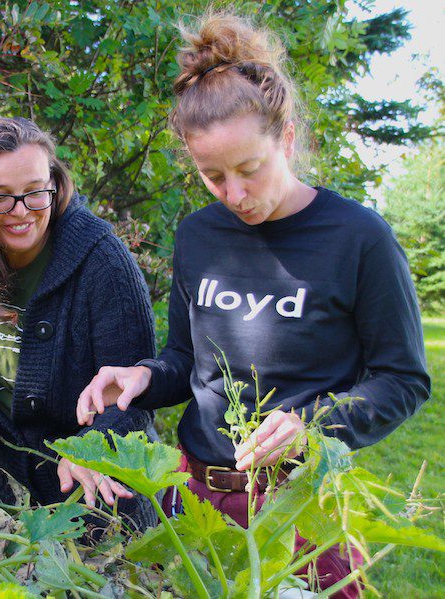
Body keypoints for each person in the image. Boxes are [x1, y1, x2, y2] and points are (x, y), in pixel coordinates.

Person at [76, 12, 430, 597]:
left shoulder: (358, 239)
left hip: (304, 507)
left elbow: (403, 379)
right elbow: (186, 361)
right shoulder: (197, 236)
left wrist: (311, 425)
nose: (235, 195)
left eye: (250, 170)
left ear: (285, 140)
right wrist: (141, 376)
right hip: (197, 500)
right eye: (213, 176)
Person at [0, 117, 160, 531]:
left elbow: (137, 395)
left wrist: (93, 445)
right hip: (2, 501)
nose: (22, 212)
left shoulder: (102, 262)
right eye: (2, 198)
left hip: (99, 503)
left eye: (36, 193)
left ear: (54, 183)